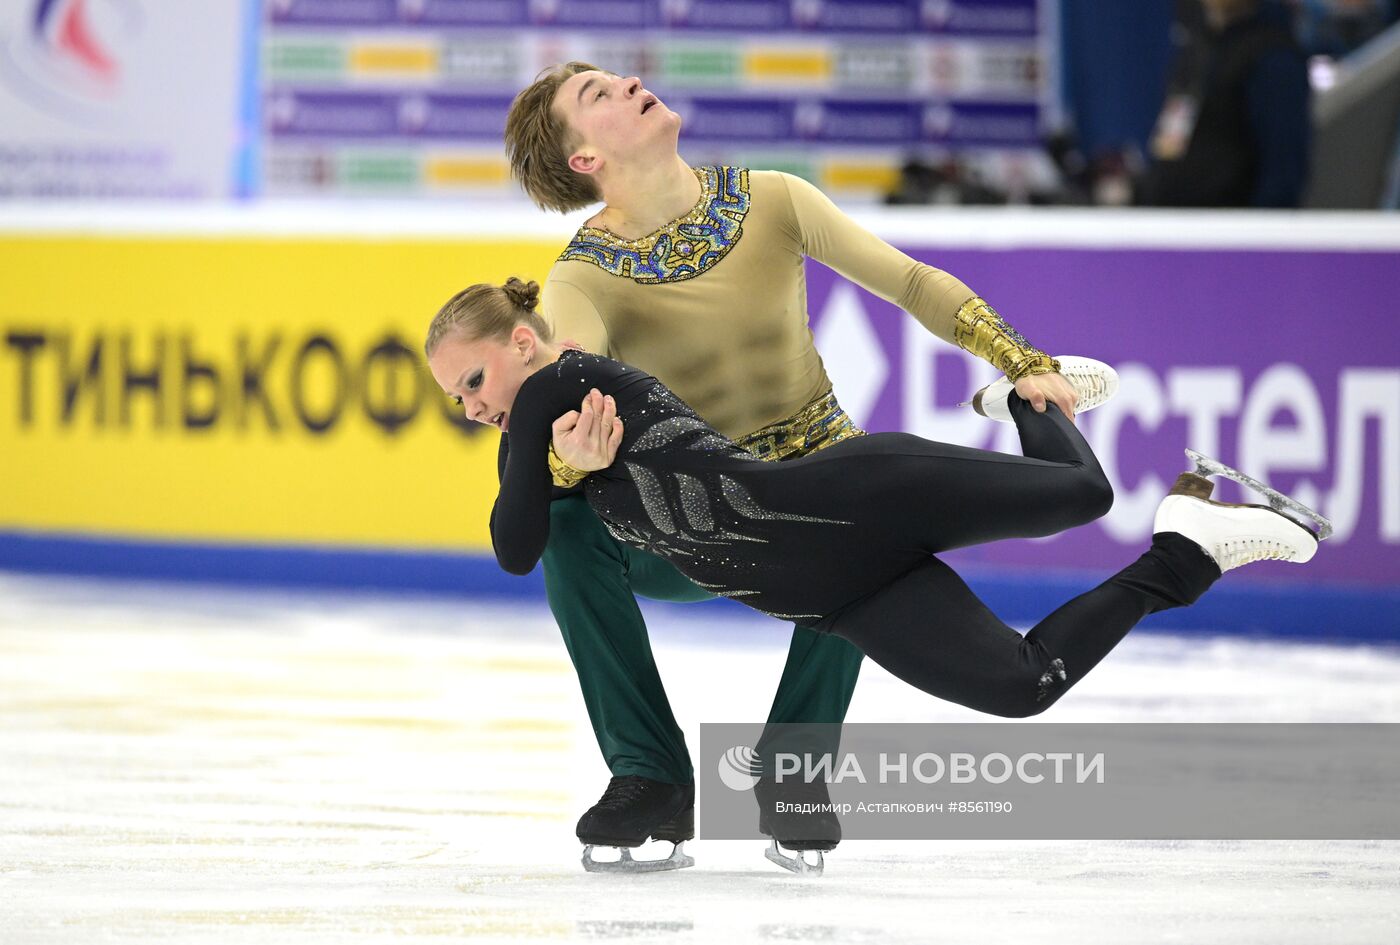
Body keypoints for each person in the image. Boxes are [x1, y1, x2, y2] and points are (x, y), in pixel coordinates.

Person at [425, 279, 1327, 870]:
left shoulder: (557, 385)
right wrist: (568, 473)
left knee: (1084, 491)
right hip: (843, 594)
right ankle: (1188, 550)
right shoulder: (549, 432)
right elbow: (539, 536)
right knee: (1023, 685)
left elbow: (512, 542)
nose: (472, 408)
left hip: (854, 498)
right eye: (458, 401)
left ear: (521, 341)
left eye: (473, 380)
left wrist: (551, 468)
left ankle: (1025, 394)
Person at [500, 61, 1084, 873]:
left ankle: (795, 771)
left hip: (812, 506)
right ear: (586, 161)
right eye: (596, 95)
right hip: (696, 529)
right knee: (566, 526)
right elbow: (569, 376)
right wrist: (570, 453)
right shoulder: (581, 277)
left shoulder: (771, 198)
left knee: (859, 507)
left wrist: (1017, 358)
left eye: (615, 76)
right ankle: (651, 774)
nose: (627, 80)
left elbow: (909, 281)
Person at [1141, 0, 1311, 208]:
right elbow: (1170, 144)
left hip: (1232, 231)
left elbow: (1282, 175)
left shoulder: (1274, 58)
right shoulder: (1197, 48)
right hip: (1170, 226)